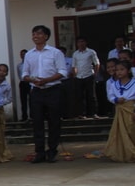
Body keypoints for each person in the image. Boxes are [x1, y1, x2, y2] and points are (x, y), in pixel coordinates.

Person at [21, 25, 68, 163]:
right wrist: (31, 80)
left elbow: (63, 72)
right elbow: (24, 74)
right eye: (33, 33)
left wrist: (47, 80)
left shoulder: (55, 53)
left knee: (54, 121)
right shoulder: (29, 54)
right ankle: (39, 152)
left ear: (46, 36)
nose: (35, 36)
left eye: (39, 34)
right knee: (37, 122)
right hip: (36, 91)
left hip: (53, 90)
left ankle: (52, 151)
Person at [103, 60, 135, 162]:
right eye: (117, 70)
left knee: (131, 129)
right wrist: (116, 100)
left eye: (122, 69)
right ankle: (125, 152)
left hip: (131, 108)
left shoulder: (133, 83)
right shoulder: (113, 84)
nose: (119, 72)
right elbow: (110, 96)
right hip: (120, 109)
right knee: (120, 131)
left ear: (128, 70)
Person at [71, 36, 102, 120]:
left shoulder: (91, 52)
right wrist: (75, 75)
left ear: (86, 42)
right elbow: (74, 65)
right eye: (79, 42)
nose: (81, 44)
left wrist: (95, 74)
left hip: (89, 75)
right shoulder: (75, 54)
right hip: (79, 77)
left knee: (91, 95)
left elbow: (97, 63)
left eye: (82, 42)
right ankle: (81, 114)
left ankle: (94, 113)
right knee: (80, 96)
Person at [17, 49, 31, 121]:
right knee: (23, 100)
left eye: (24, 54)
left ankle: (32, 116)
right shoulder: (19, 65)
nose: (23, 55)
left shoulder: (30, 64)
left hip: (30, 83)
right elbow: (19, 75)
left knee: (31, 100)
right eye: (22, 54)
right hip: (22, 83)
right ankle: (24, 116)